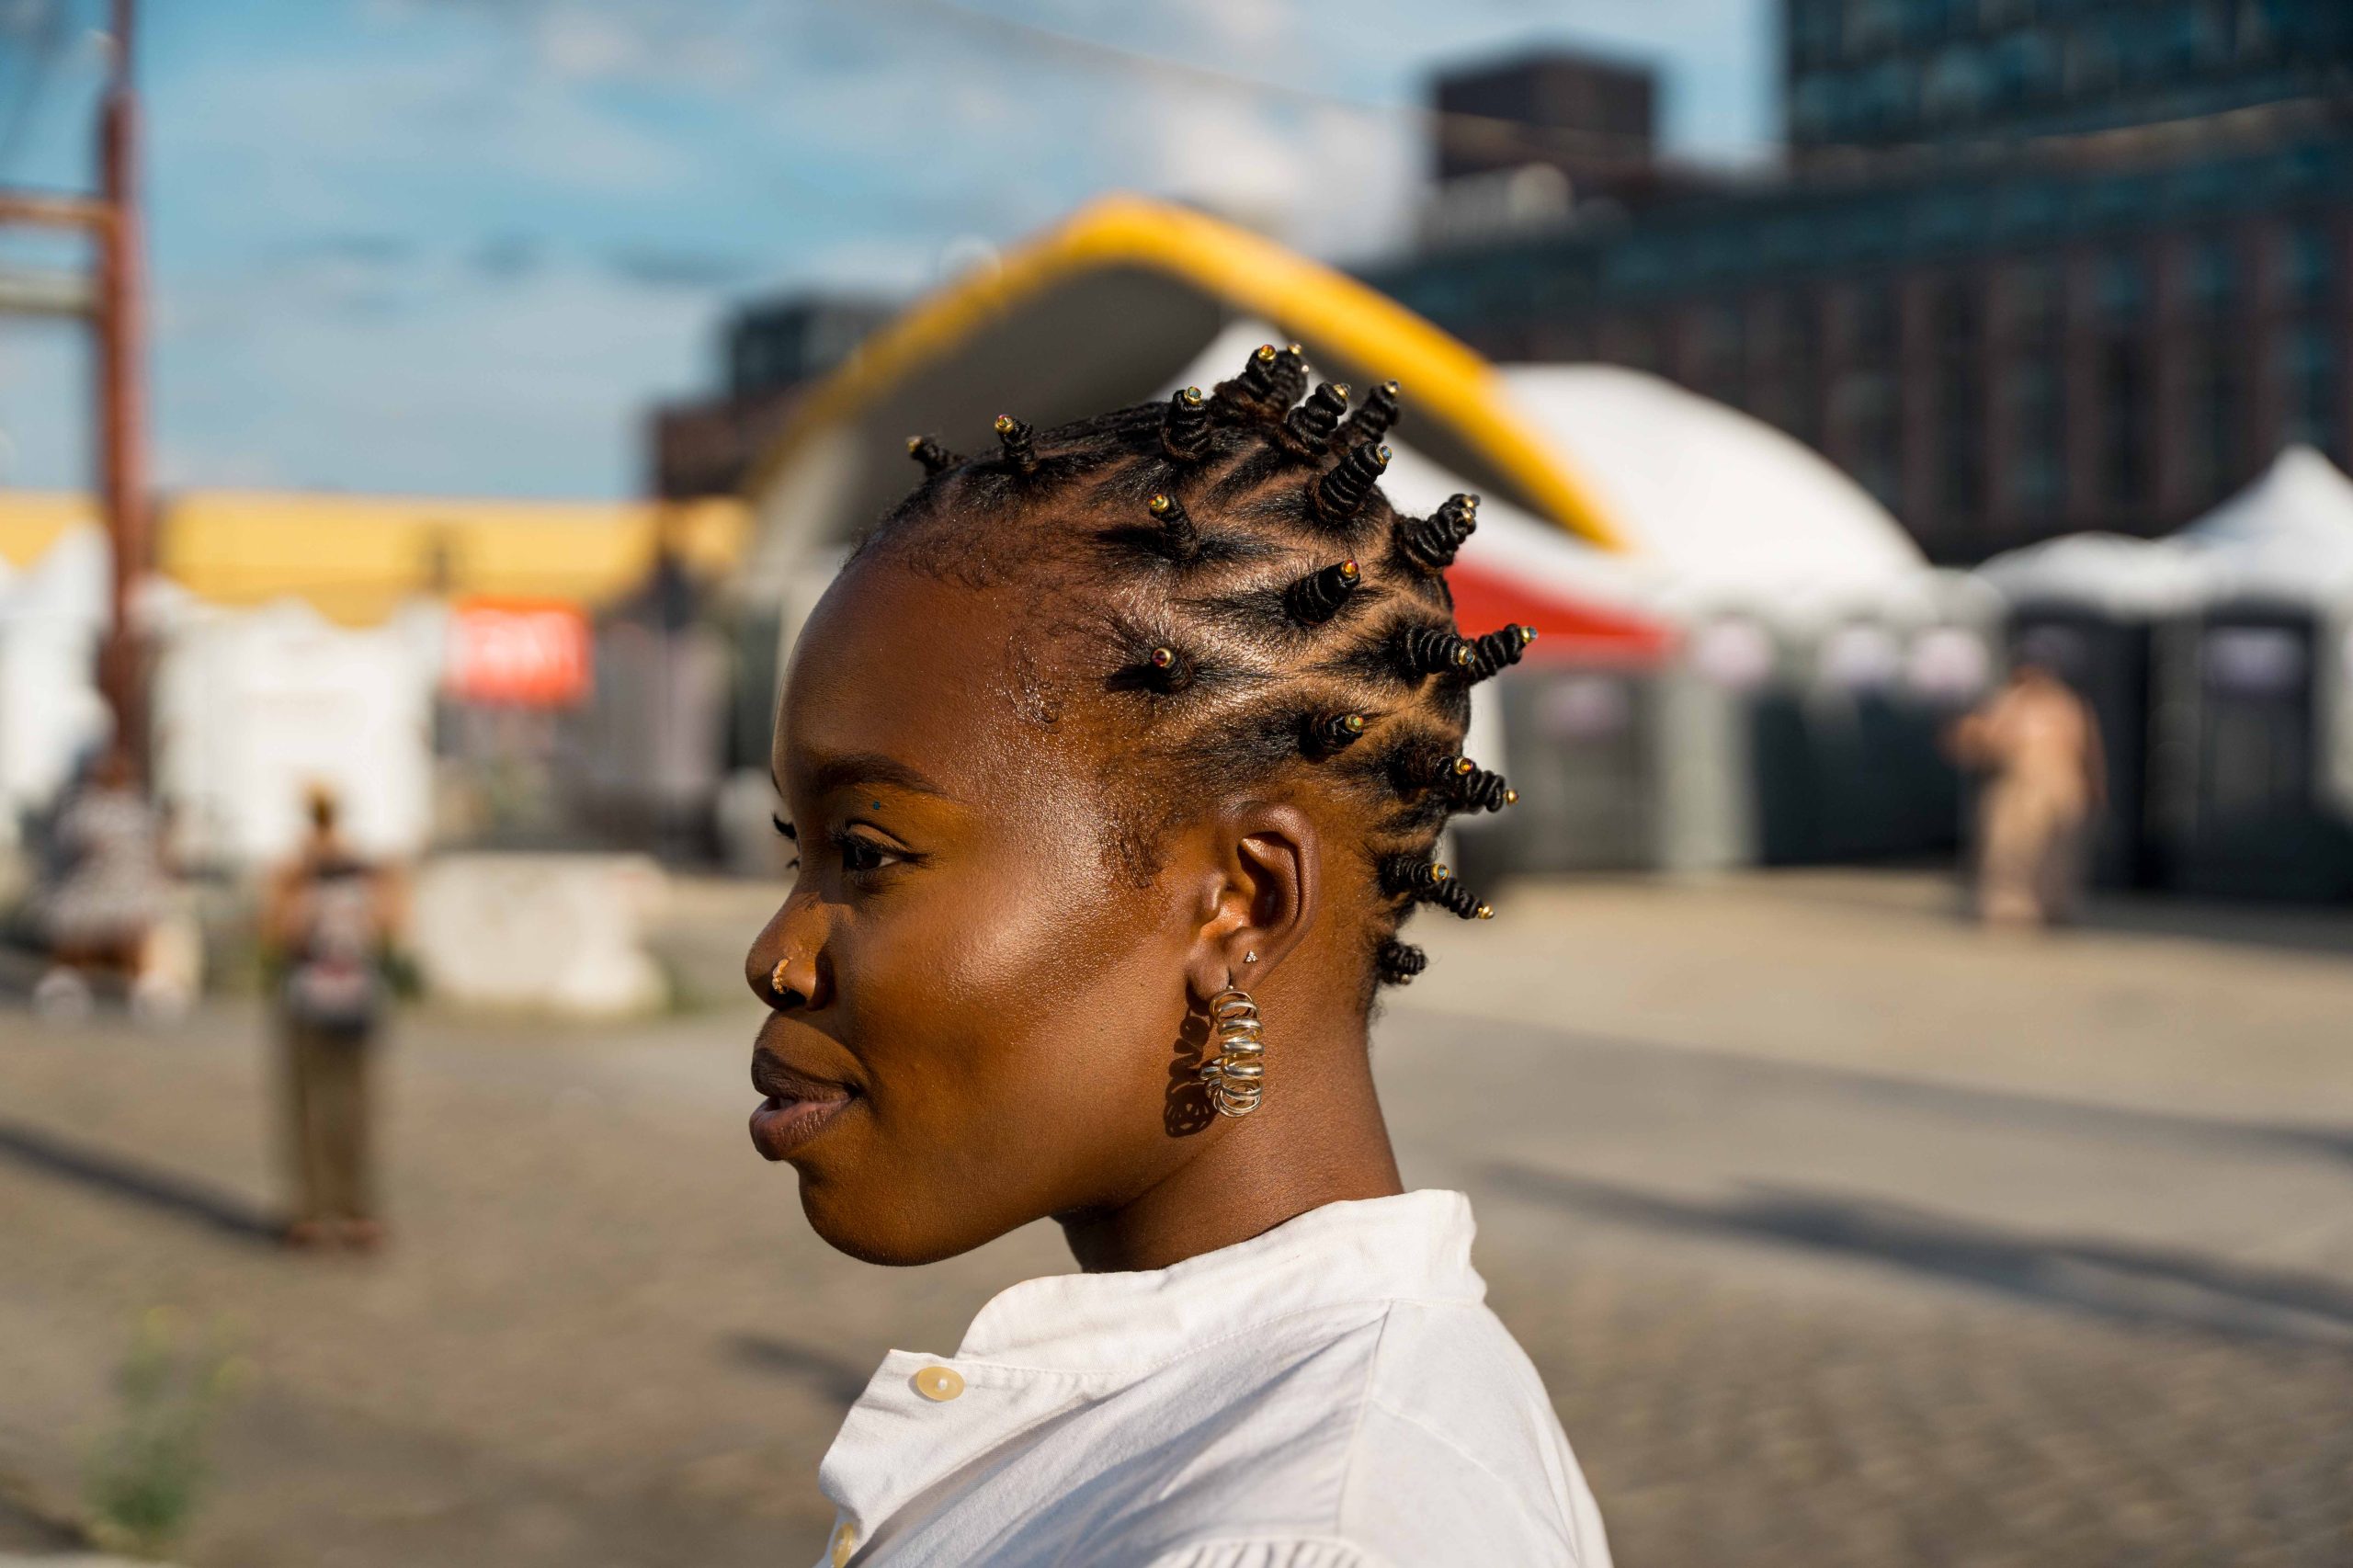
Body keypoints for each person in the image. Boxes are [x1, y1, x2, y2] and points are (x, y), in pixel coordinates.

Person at [745, 350, 1608, 1568]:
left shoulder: (1305, 1534)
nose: (775, 958)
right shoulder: (1247, 1449)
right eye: (798, 850)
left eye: (869, 853)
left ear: (1239, 903)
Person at [263, 785, 401, 1250]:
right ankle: (331, 1209)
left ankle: (335, 1208)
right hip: (330, 996)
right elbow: (279, 930)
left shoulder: (343, 872)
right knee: (329, 1107)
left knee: (332, 1107)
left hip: (333, 998)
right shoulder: (316, 872)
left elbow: (390, 928)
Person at [1948, 661, 2106, 927]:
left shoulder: (2065, 703)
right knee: (2012, 849)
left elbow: (2089, 750)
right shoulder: (2012, 701)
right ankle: (2012, 908)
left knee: (2059, 850)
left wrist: (2096, 787)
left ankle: (2054, 905)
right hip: (2022, 782)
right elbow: (1987, 742)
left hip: (2060, 784)